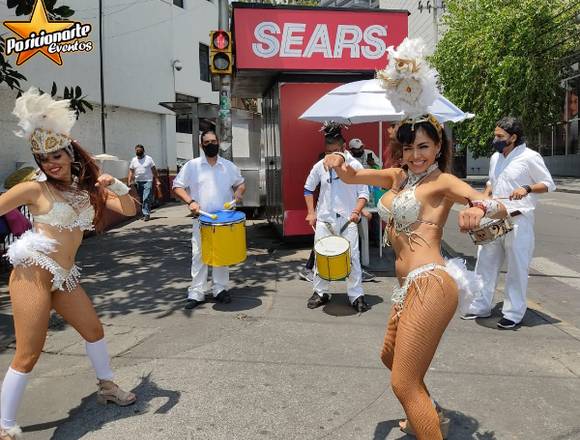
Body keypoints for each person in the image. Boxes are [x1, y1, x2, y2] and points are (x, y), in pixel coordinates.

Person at [325, 38, 508, 439]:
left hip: (430, 280)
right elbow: (353, 177)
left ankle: (424, 415)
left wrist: (478, 210)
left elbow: (488, 202)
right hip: (405, 287)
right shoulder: (396, 177)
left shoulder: (442, 181)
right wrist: (337, 158)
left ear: (438, 146)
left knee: (403, 382)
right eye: (409, 148)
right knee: (390, 356)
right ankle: (429, 412)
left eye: (424, 146)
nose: (416, 155)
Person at [0, 88, 137, 440]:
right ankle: (5, 425)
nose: (51, 163)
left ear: (70, 153)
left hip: (64, 275)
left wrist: (117, 185)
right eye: (44, 159)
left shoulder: (87, 190)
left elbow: (131, 210)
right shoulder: (34, 189)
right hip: (33, 271)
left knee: (94, 331)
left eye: (56, 155)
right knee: (29, 353)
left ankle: (107, 387)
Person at [462, 117, 556, 329]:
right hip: (494, 219)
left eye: (500, 136)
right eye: (495, 135)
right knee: (484, 263)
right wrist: (482, 201)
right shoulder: (496, 157)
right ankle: (480, 305)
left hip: (518, 220)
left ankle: (513, 312)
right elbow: (491, 183)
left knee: (517, 268)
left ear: (513, 137)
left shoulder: (530, 157)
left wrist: (527, 188)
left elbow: (549, 184)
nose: (495, 139)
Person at [172, 130, 246, 309]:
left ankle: (220, 289)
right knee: (199, 256)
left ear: (218, 142)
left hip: (223, 220)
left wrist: (238, 192)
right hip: (202, 219)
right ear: (201, 145)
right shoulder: (192, 166)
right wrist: (190, 201)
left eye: (214, 141)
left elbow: (240, 183)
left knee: (221, 256)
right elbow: (177, 186)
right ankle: (196, 292)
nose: (211, 144)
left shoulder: (228, 166)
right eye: (207, 142)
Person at [304, 122, 370, 313]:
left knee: (353, 258)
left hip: (347, 220)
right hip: (325, 220)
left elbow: (363, 193)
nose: (331, 155)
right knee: (320, 258)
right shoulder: (319, 166)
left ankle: (356, 295)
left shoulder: (355, 165)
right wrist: (311, 212)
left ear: (344, 147)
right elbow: (308, 188)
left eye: (335, 151)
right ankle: (320, 292)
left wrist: (356, 212)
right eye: (328, 151)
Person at [128, 144, 161, 221]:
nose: (138, 151)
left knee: (146, 197)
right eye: (137, 150)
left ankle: (146, 214)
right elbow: (131, 171)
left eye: (139, 150)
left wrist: (157, 179)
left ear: (143, 151)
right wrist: (129, 181)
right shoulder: (134, 160)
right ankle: (145, 213)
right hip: (138, 181)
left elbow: (154, 170)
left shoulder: (149, 159)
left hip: (148, 180)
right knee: (142, 198)